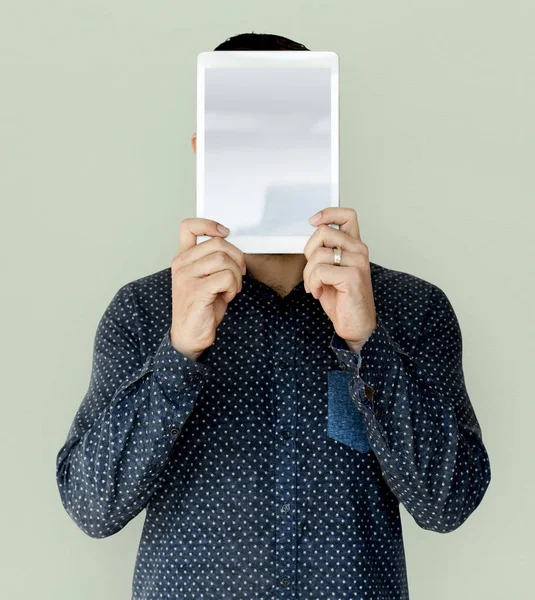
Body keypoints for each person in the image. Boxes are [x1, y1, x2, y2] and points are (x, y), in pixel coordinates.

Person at [56, 32, 491, 600]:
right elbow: (92, 506)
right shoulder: (143, 311)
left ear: (329, 149)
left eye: (291, 138)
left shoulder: (412, 308)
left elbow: (448, 501)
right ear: (201, 152)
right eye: (244, 139)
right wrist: (177, 353)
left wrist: (368, 345)